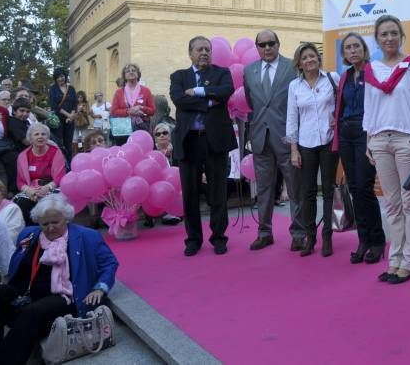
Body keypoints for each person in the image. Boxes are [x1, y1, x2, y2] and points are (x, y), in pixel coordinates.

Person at [0, 194, 118, 364]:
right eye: (45, 224)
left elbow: (109, 263)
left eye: (55, 222)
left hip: (63, 297)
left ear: (66, 218)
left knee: (32, 312)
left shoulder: (87, 236)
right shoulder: (29, 235)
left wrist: (100, 287)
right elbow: (17, 266)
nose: (50, 228)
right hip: (24, 293)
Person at [364, 15, 410, 285]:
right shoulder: (371, 69)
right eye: (384, 34)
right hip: (380, 141)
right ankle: (394, 259)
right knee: (392, 205)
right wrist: (368, 140)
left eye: (394, 33)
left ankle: (409, 261)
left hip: (408, 140)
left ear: (401, 36)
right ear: (377, 38)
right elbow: (369, 108)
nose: (389, 38)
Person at [170, 36, 237, 256]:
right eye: (199, 49)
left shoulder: (222, 73)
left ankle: (219, 237)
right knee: (190, 193)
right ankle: (193, 239)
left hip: (214, 139)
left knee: (218, 191)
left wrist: (198, 93)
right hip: (189, 141)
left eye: (207, 49)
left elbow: (226, 91)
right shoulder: (179, 76)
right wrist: (210, 102)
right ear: (190, 53)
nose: (204, 53)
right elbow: (179, 99)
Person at [243, 30, 301, 251]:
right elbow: (251, 102)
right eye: (262, 44)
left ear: (278, 44)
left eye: (271, 43)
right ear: (257, 47)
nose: (267, 48)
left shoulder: (292, 67)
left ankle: (298, 232)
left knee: (295, 188)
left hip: (287, 137)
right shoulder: (249, 71)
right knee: (264, 189)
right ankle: (264, 232)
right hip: (260, 138)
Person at [332, 33, 386, 264]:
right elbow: (339, 106)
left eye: (356, 46)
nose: (353, 50)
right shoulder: (344, 76)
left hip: (366, 132)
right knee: (353, 188)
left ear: (364, 49)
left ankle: (377, 240)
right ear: (344, 54)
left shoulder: (373, 72)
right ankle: (363, 240)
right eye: (348, 48)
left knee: (364, 187)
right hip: (346, 132)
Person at [285, 43, 339, 257]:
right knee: (306, 193)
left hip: (328, 141)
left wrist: (337, 117)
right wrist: (293, 149)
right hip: (305, 145)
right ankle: (310, 237)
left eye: (312, 56)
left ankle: (327, 237)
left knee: (327, 191)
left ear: (318, 58)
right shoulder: (294, 86)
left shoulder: (332, 79)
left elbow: (341, 103)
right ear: (299, 63)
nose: (309, 60)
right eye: (304, 58)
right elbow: (291, 118)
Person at [14, 123, 67, 227]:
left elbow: (60, 176)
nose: (40, 137)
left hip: (51, 186)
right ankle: (31, 234)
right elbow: (20, 181)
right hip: (31, 189)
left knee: (52, 204)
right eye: (36, 134)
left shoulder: (55, 152)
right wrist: (29, 191)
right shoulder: (23, 156)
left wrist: (47, 188)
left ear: (47, 137)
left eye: (43, 134)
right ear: (30, 138)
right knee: (21, 203)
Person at [111, 64, 156, 145]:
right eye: (128, 71)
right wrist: (128, 111)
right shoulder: (119, 92)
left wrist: (141, 108)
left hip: (142, 126)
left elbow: (152, 110)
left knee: (141, 148)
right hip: (123, 127)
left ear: (138, 74)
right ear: (124, 76)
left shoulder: (146, 91)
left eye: (133, 70)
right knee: (124, 150)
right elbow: (114, 111)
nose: (131, 72)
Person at [48, 68, 78, 162]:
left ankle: (69, 164)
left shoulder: (71, 89)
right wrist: (68, 115)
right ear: (55, 78)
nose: (60, 79)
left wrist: (72, 115)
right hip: (58, 120)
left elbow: (75, 103)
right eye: (58, 77)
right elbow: (54, 105)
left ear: (65, 76)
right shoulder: (53, 89)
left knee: (68, 144)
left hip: (70, 121)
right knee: (59, 143)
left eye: (62, 76)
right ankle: (60, 163)